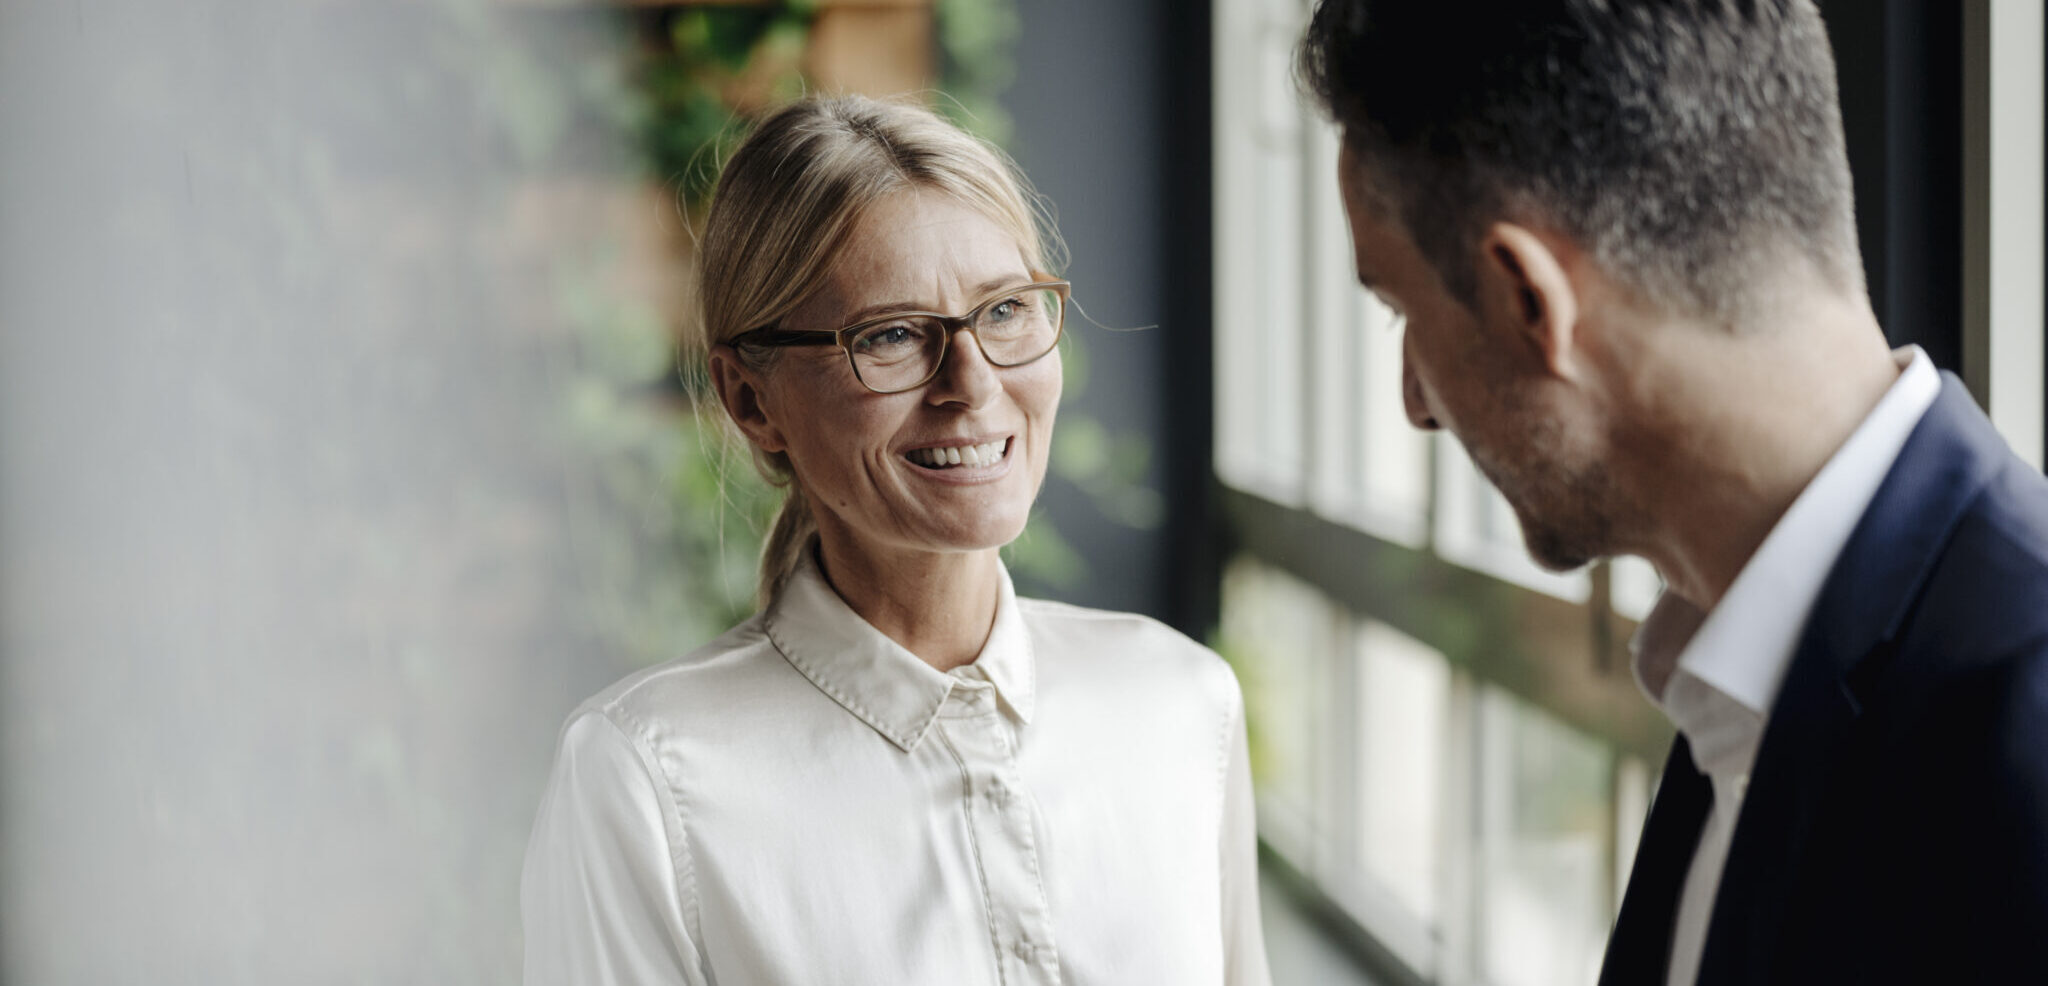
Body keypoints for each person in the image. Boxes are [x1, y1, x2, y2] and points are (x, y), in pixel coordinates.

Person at [1297, 2, 2048, 984]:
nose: (1412, 401)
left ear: (1527, 299)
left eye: (1401, 307)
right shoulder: (1737, 666)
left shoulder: (2023, 741)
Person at [520, 94, 1270, 986]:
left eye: (1005, 312)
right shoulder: (644, 778)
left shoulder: (1181, 702)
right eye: (892, 335)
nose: (973, 384)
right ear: (752, 401)